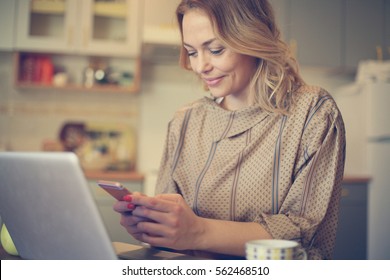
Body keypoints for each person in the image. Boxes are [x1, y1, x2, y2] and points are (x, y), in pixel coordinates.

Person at [113, 0, 346, 260]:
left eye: (215, 49)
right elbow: (172, 241)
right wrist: (153, 226)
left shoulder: (313, 113)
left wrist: (198, 231)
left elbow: (304, 238)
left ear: (252, 38)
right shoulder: (185, 122)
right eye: (191, 52)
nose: (200, 66)